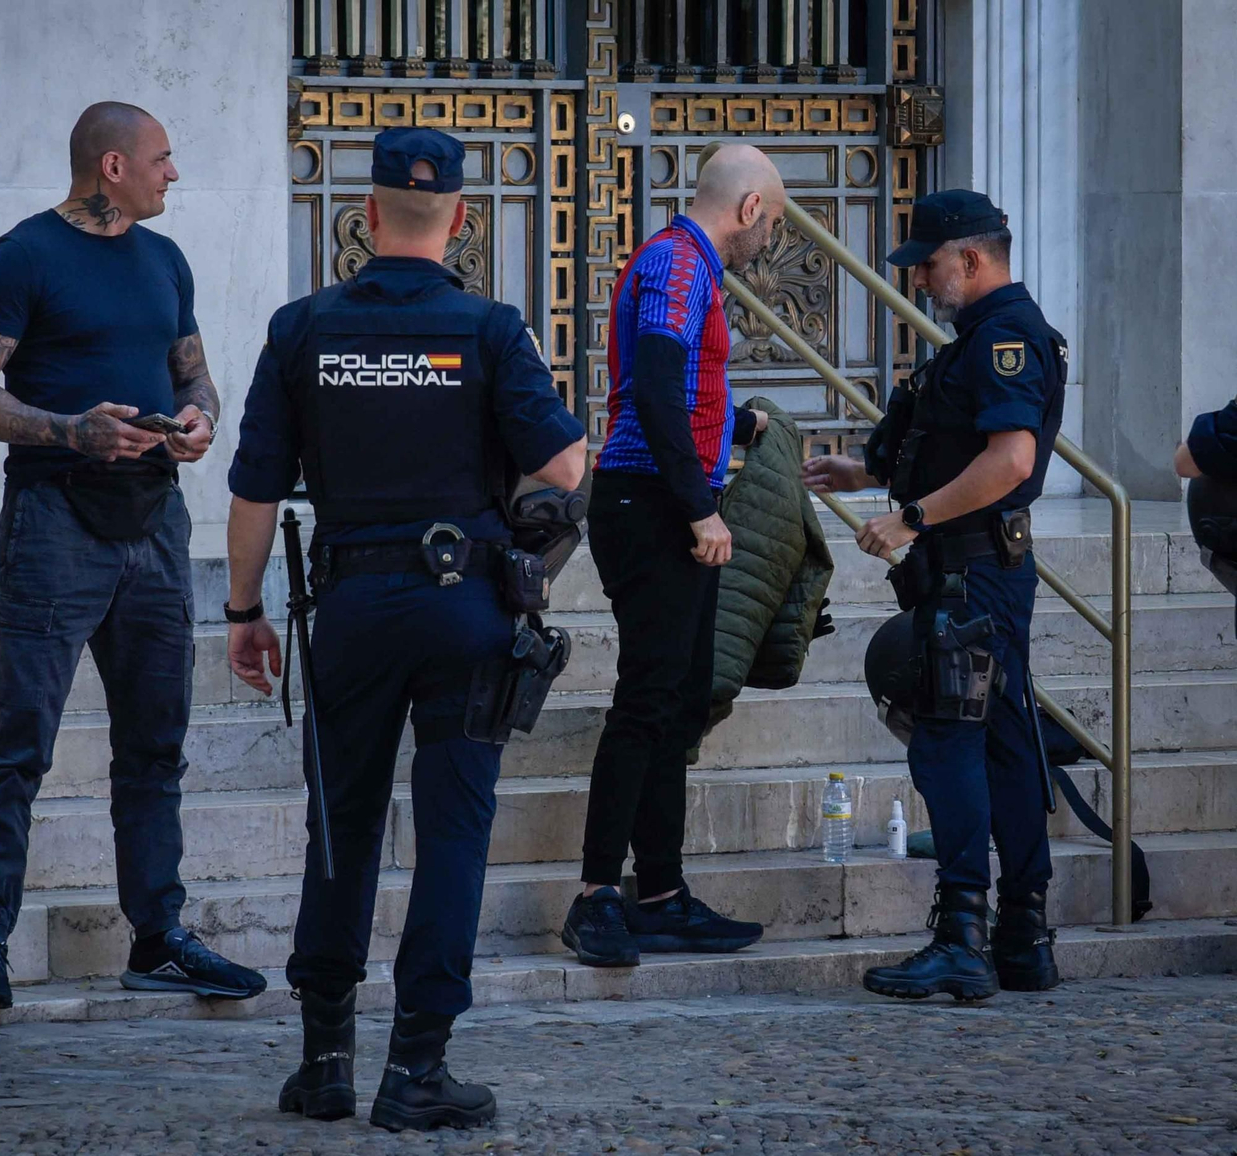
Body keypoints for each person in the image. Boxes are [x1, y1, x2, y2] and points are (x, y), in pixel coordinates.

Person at [225, 127, 585, 1131]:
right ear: (460, 219)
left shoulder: (301, 329)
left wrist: (242, 610)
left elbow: (254, 490)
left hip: (349, 608)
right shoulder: (488, 328)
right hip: (464, 607)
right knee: (453, 836)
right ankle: (414, 1068)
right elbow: (563, 471)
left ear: (368, 214)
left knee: (338, 827)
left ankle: (327, 1063)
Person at [0, 101, 263, 1009]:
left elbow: (190, 369)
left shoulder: (165, 258)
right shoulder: (23, 256)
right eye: (163, 160)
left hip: (157, 525)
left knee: (155, 745)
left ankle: (158, 935)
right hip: (56, 524)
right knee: (20, 743)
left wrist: (202, 414)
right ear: (114, 166)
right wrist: (65, 432)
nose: (174, 175)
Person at [802, 189, 1068, 1001]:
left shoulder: (1006, 339)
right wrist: (867, 470)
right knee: (1004, 743)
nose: (919, 280)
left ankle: (964, 936)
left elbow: (1011, 461)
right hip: (973, 569)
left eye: (928, 265)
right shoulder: (981, 341)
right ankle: (1022, 938)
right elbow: (953, 444)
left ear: (973, 259)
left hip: (969, 570)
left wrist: (911, 517)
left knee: (950, 741)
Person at [558, 144, 780, 970]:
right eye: (775, 220)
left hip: (665, 501)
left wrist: (739, 429)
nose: (771, 238)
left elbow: (680, 388)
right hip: (650, 506)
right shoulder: (680, 268)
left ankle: (659, 894)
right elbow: (652, 390)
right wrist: (697, 507)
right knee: (649, 701)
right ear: (750, 208)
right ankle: (594, 899)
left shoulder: (687, 269)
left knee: (680, 701)